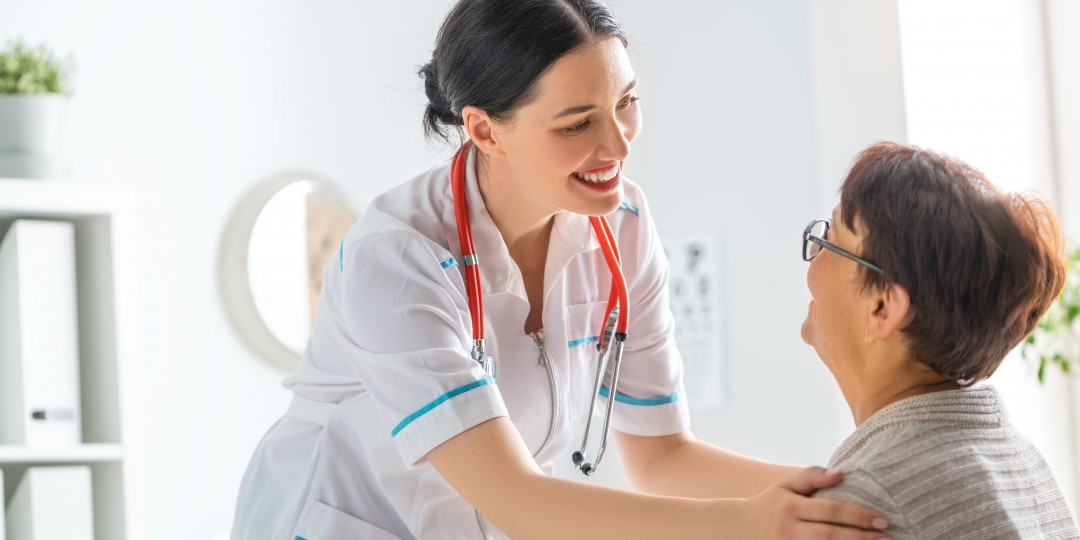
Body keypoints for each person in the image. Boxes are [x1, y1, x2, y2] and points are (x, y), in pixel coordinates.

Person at [231, 1, 893, 538]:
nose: (618, 144)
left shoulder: (624, 226)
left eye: (626, 102)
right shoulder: (397, 262)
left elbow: (661, 457)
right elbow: (519, 501)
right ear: (485, 130)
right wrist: (746, 525)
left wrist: (849, 492)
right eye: (577, 124)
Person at [800, 142, 1080, 539]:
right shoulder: (1020, 462)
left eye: (831, 240)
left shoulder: (859, 505)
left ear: (882, 306)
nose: (813, 260)